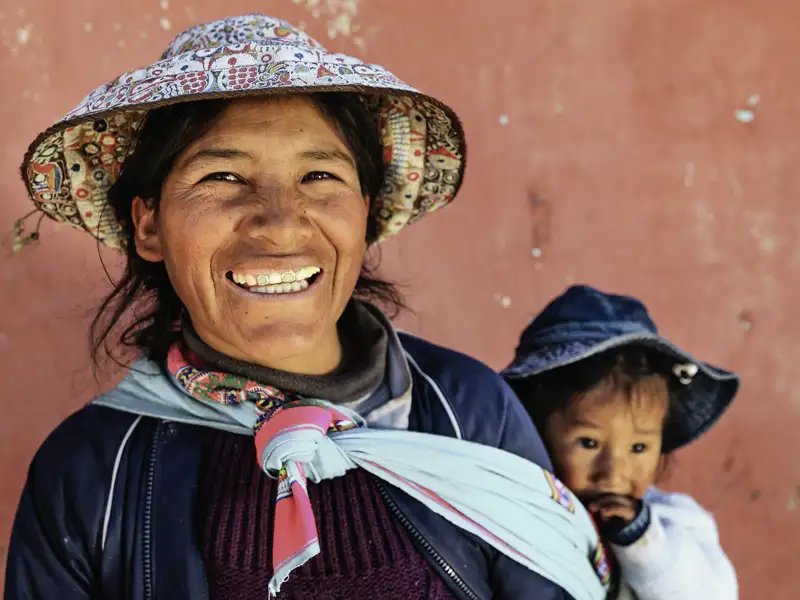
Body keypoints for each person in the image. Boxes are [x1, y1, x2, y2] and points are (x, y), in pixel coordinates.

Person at [5, 15, 610, 600]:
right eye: (221, 176)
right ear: (150, 226)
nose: (279, 223)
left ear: (366, 213)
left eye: (319, 175)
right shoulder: (88, 473)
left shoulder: (468, 411)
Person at [502, 285, 740, 600]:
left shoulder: (675, 523)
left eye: (638, 448)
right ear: (534, 427)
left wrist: (643, 543)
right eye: (588, 443)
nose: (613, 473)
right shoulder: (513, 504)